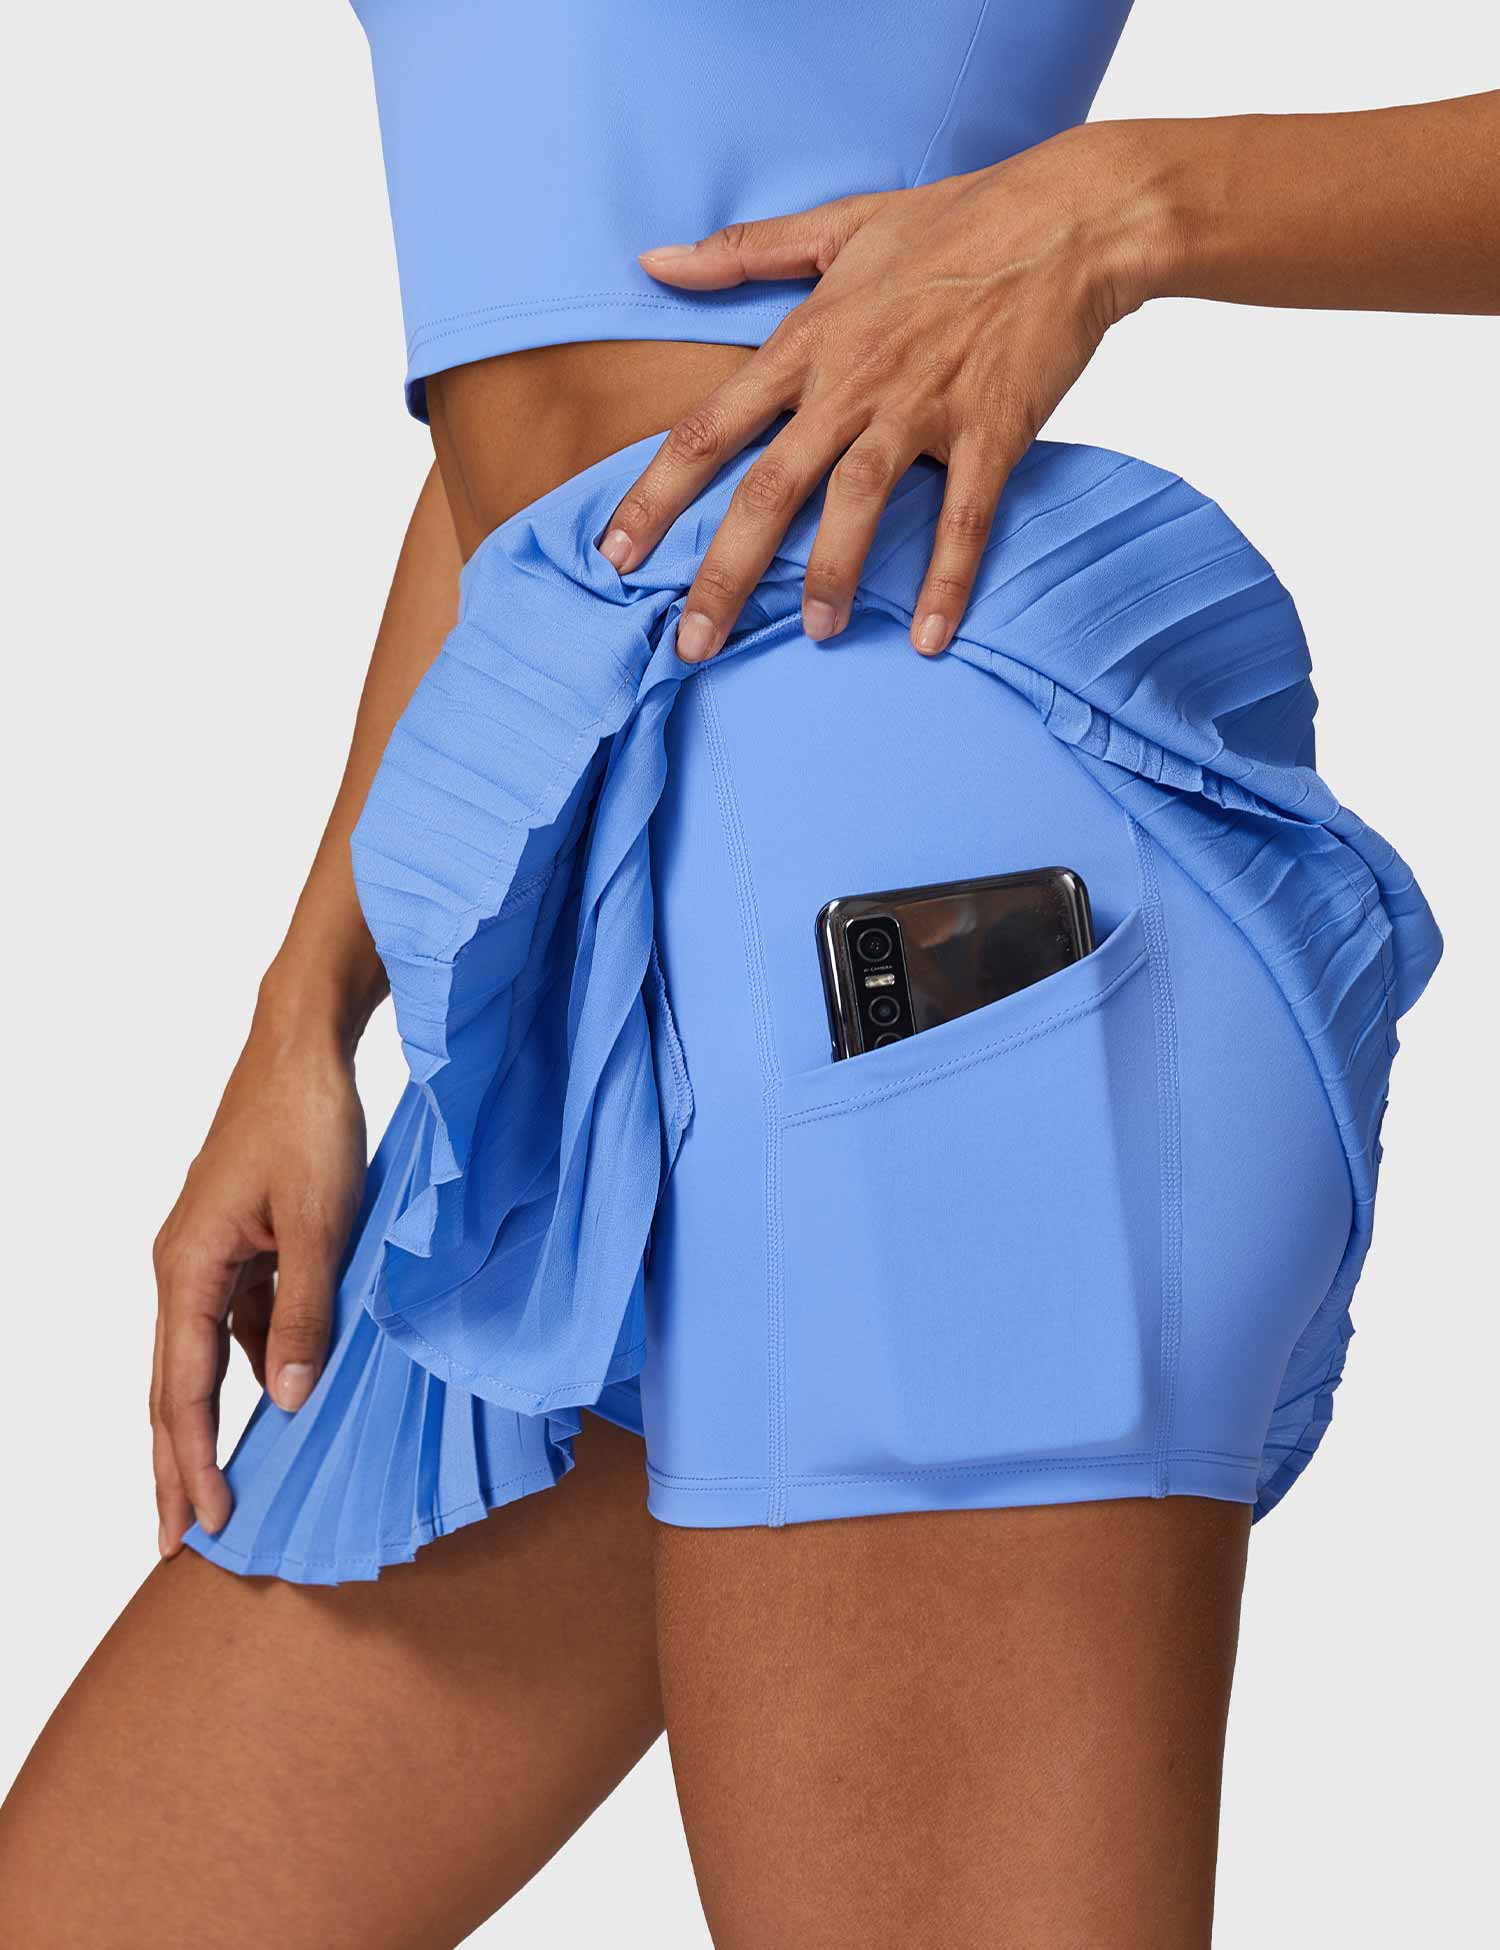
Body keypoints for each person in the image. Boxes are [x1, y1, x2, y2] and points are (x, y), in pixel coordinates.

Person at [0, 2, 1489, 1941]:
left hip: (919, 885)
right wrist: (308, 1006)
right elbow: (568, 472)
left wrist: (1122, 205)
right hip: (602, 909)